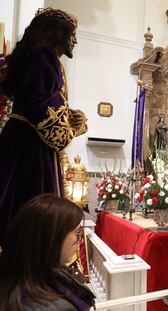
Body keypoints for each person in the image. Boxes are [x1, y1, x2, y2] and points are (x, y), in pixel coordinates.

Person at [0, 7, 87, 245]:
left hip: (21, 138)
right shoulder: (44, 55)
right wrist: (73, 126)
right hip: (31, 147)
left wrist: (71, 115)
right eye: (72, 35)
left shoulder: (36, 54)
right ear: (57, 34)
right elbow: (45, 114)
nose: (75, 40)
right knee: (34, 214)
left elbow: (40, 99)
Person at [0, 194, 95, 310]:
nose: (79, 241)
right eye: (77, 233)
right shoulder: (47, 306)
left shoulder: (24, 275)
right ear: (52, 237)